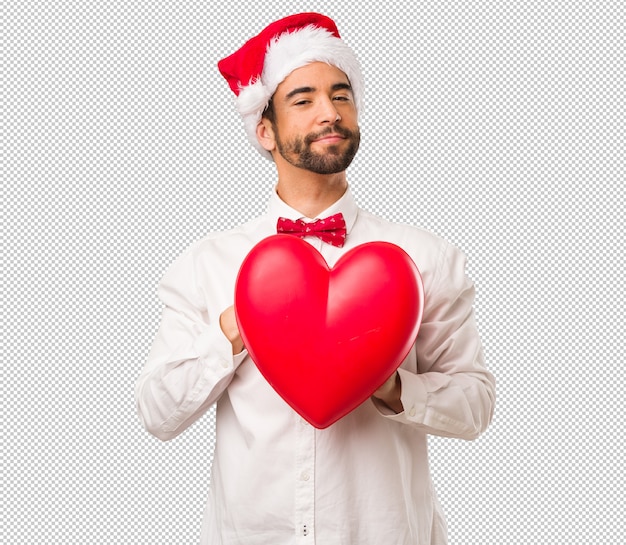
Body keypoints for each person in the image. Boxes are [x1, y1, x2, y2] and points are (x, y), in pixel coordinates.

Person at [135, 12, 495, 545]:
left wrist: (393, 385)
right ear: (265, 131)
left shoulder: (425, 258)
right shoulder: (208, 264)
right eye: (303, 100)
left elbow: (475, 406)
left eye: (341, 95)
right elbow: (157, 413)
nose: (329, 113)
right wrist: (238, 329)